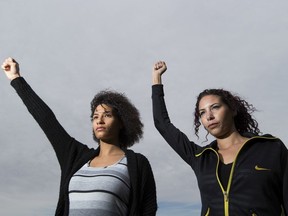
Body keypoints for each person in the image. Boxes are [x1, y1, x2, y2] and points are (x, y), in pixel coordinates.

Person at [1, 57, 157, 216]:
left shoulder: (137, 164)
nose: (99, 120)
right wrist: (16, 78)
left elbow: (148, 211)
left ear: (122, 122)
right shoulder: (75, 157)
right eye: (95, 116)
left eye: (107, 115)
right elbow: (47, 121)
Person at [151, 61, 288, 215]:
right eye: (202, 113)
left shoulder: (271, 148)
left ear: (233, 110)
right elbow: (162, 124)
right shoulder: (200, 157)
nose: (209, 116)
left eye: (215, 107)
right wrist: (156, 80)